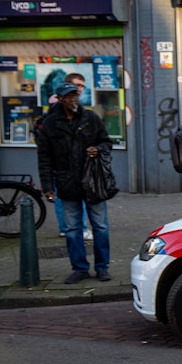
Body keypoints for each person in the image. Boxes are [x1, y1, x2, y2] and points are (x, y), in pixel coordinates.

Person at [36, 81, 114, 284]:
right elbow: (44, 158)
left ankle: (102, 267)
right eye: (68, 96)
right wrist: (47, 187)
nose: (73, 99)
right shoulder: (51, 124)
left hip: (92, 182)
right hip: (66, 182)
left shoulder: (90, 118)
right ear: (59, 99)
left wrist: (97, 149)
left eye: (75, 95)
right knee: (72, 229)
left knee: (100, 226)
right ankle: (79, 268)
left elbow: (106, 142)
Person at [38, 72, 90, 240]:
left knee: (68, 196)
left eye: (82, 86)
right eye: (76, 86)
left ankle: (69, 227)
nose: (79, 89)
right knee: (66, 197)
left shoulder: (77, 108)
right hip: (61, 163)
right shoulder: (59, 109)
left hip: (71, 162)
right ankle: (74, 227)